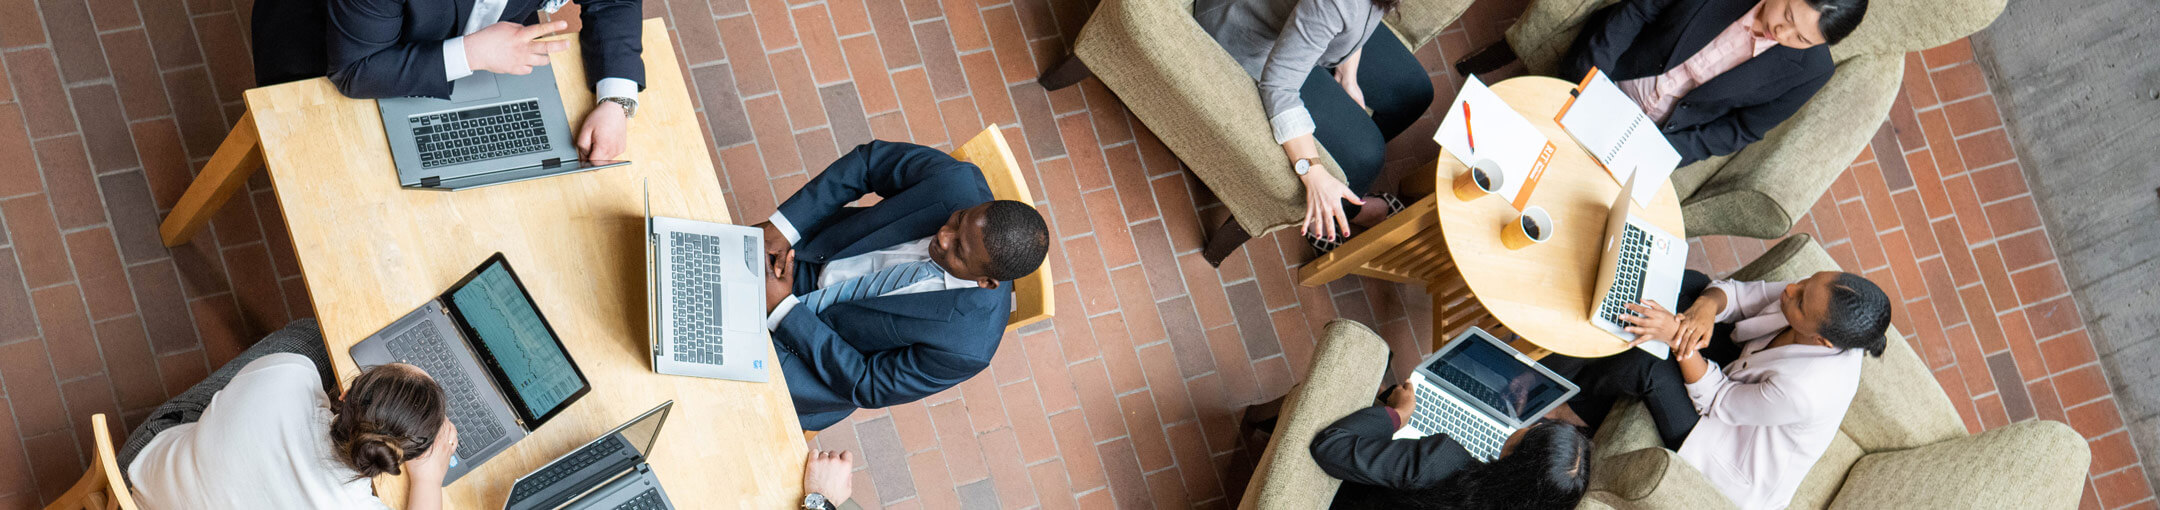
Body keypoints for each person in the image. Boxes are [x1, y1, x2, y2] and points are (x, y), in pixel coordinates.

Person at [758, 140, 1051, 431]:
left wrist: (785, 312)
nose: (944, 236)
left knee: (720, 381)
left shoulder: (967, 346)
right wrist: (783, 228)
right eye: (959, 219)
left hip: (817, 362)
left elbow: (867, 383)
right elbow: (868, 163)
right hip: (806, 256)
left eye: (959, 249)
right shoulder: (953, 180)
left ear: (987, 282)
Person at [1540, 270, 1892, 509]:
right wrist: (1705, 310)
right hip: (1738, 373)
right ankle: (1568, 346)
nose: (1790, 290)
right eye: (1803, 283)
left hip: (1726, 450)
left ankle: (1559, 408)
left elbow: (1717, 401)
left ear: (1823, 341)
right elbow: (1738, 294)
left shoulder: (1807, 391)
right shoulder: (1819, 298)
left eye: (1799, 301)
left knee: (1647, 363)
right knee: (1694, 286)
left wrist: (1678, 337)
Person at [122, 320, 460, 509]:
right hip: (153, 491)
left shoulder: (291, 376)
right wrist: (429, 480)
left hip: (140, 481)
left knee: (312, 334)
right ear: (398, 458)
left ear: (344, 394)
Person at [249, 0, 646, 159]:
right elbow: (356, 70)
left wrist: (616, 99)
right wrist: (475, 53)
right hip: (330, 57)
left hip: (485, 50)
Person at [1194, 0, 1436, 252]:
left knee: (1414, 93)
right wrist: (1312, 170)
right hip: (1252, 43)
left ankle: (1342, 175)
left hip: (1311, 22)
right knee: (1367, 155)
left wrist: (1348, 76)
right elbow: (1279, 85)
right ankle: (1343, 205)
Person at [1561, 0, 1869, 166]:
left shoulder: (1813, 72)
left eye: (1801, 39)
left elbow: (1742, 129)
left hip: (1652, 137)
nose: (1781, 33)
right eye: (1787, 15)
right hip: (1609, 75)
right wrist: (1588, 84)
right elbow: (1639, 10)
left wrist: (1653, 154)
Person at [1307, 379, 1592, 509]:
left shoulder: (1444, 462)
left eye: (1535, 429)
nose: (1530, 424)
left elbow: (1329, 448)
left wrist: (1399, 414)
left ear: (1514, 457)